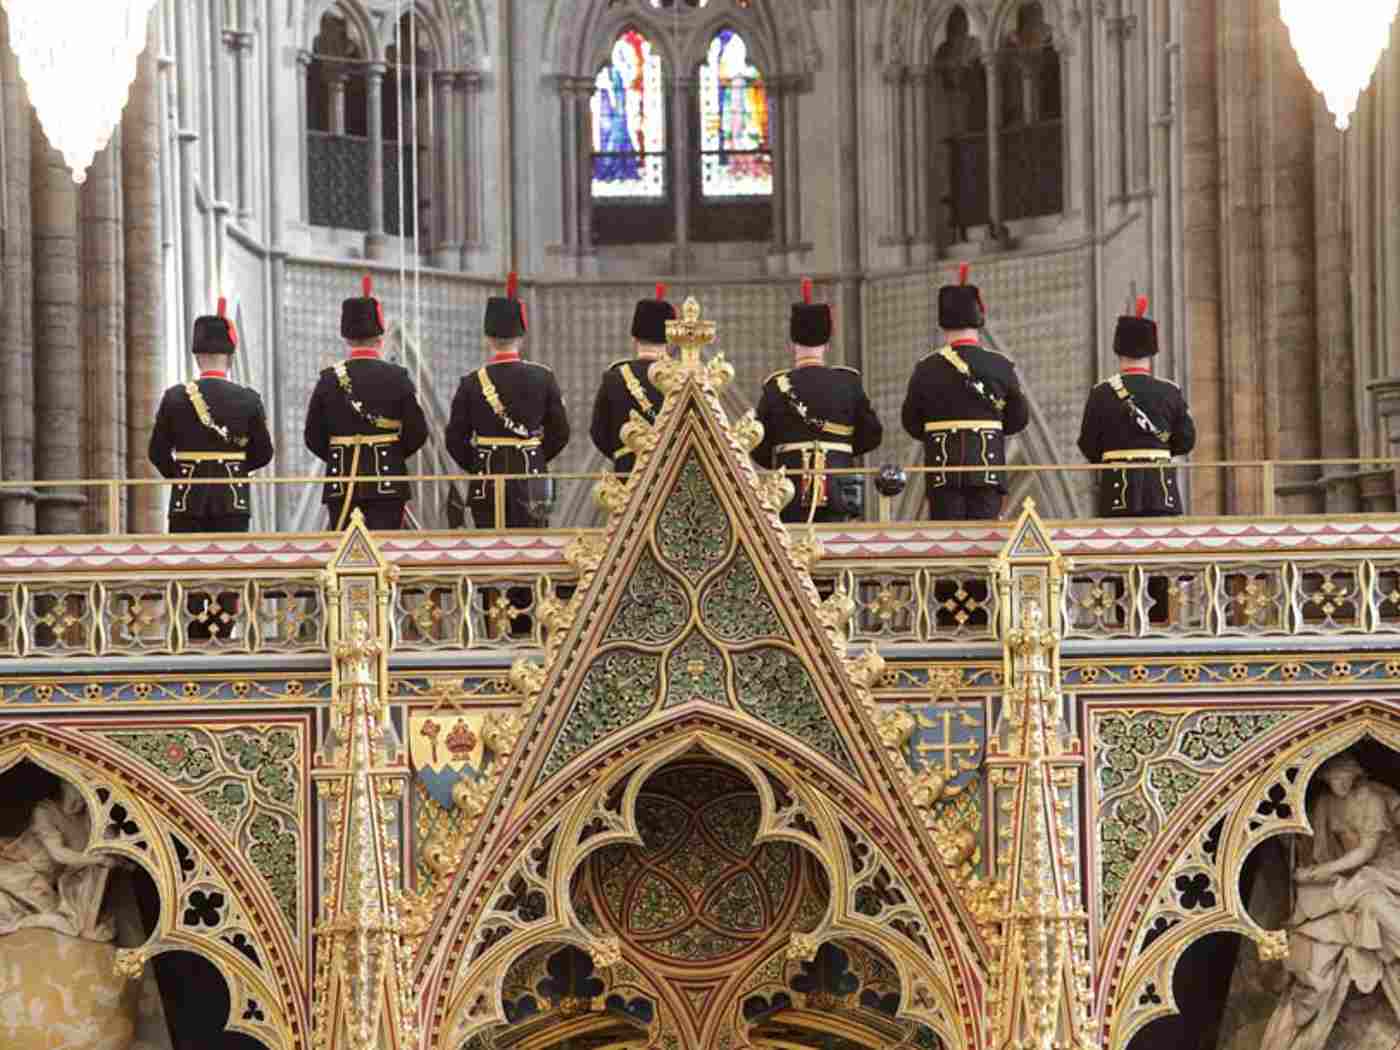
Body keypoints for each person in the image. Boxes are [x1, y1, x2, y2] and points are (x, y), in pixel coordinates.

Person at [1261, 752, 1400, 1050]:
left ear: (1354, 775)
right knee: (1305, 934)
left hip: (1385, 873)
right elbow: (1315, 845)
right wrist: (1293, 844)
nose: (1338, 784)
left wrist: (1318, 872)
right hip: (1343, 878)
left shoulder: (1371, 800)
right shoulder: (1325, 804)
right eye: (1331, 779)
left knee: (1369, 895)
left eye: (1342, 777)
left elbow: (1365, 852)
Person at [901, 263, 1029, 520]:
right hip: (987, 470)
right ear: (979, 318)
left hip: (942, 472)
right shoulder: (999, 365)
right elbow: (1019, 418)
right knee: (985, 545)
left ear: (943, 323)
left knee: (948, 547)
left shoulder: (926, 369)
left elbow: (911, 423)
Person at [752, 278, 882, 523]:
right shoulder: (848, 382)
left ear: (792, 343)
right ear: (827, 342)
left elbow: (759, 444)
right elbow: (873, 434)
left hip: (788, 488)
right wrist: (841, 449)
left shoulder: (775, 386)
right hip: (839, 483)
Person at [446, 273, 570, 529]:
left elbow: (455, 439)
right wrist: (534, 454)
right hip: (531, 477)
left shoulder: (471, 383)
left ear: (487, 339)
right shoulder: (543, 377)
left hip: (486, 478)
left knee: (490, 551)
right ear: (521, 338)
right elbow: (561, 432)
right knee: (533, 549)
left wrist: (478, 461)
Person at [304, 275, 429, 531]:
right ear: (380, 339)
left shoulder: (328, 379)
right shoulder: (398, 377)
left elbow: (312, 436)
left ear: (347, 339)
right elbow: (418, 432)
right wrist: (392, 453)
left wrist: (340, 454)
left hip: (341, 479)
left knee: (344, 555)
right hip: (388, 481)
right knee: (385, 554)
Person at [149, 298, 274, 533]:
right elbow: (264, 453)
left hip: (186, 502)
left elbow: (156, 452)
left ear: (197, 358)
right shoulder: (249, 399)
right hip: (232, 500)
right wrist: (235, 466)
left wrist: (181, 475)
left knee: (189, 566)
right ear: (230, 359)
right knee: (229, 567)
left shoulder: (174, 397)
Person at [1077, 296, 1196, 517]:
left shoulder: (1101, 393)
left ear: (1118, 351)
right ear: (1152, 352)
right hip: (1161, 492)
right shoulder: (1170, 391)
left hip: (1116, 492)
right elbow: (1186, 441)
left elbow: (1088, 444)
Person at [0, 782, 115, 942]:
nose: (78, 802)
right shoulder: (45, 811)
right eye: (76, 794)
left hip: (42, 882)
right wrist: (98, 859)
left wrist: (111, 846)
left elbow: (114, 846)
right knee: (61, 922)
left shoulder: (88, 820)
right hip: (16, 871)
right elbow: (58, 854)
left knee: (65, 921)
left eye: (85, 798)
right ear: (64, 786)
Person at [590, 283, 674, 475]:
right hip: (673, 471)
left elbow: (598, 432)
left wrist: (622, 454)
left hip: (629, 471)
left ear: (634, 337)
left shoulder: (615, 377)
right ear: (669, 340)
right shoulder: (682, 376)